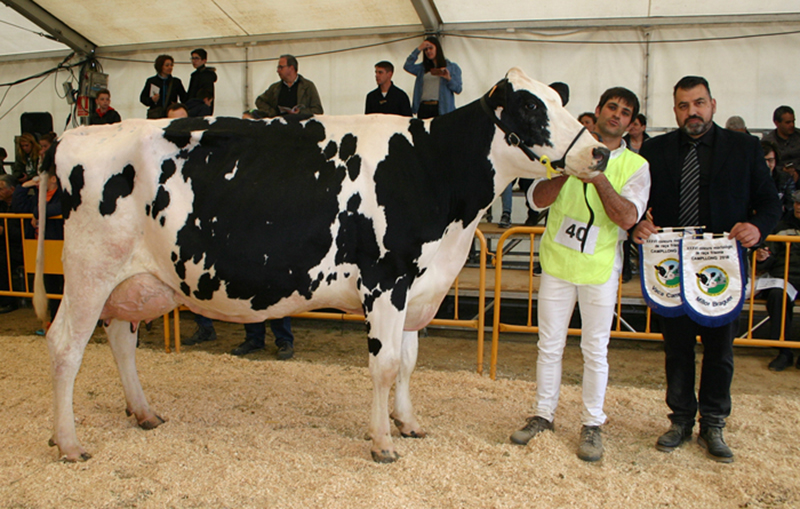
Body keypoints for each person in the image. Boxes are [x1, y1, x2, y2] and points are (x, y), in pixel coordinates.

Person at [632, 76, 781, 463]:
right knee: (676, 348)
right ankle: (680, 419)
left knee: (720, 350)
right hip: (671, 268)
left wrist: (758, 227)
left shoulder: (746, 148)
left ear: (713, 104)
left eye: (698, 103)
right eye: (683, 105)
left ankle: (713, 421)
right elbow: (636, 202)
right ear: (675, 110)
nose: (692, 112)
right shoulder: (655, 149)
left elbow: (769, 203)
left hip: (723, 268)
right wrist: (636, 225)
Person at [510, 87, 650, 463]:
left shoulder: (636, 166)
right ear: (599, 111)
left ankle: (592, 423)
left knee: (595, 350)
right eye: (611, 107)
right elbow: (536, 199)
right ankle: (542, 415)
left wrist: (598, 174)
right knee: (549, 346)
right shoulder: (565, 153)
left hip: (600, 270)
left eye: (625, 111)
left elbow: (627, 217)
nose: (616, 115)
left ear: (631, 122)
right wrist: (571, 168)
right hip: (557, 264)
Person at [755, 190, 800, 371]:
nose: (799, 207)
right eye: (797, 203)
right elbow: (770, 256)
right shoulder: (780, 226)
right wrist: (763, 257)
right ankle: (784, 351)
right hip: (785, 277)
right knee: (776, 295)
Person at [403, 36, 462, 119]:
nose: (428, 51)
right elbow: (407, 66)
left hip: (441, 108)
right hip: (424, 107)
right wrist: (418, 49)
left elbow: (458, 89)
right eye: (426, 49)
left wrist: (448, 78)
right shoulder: (422, 68)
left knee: (441, 131)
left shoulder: (452, 67)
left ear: (437, 49)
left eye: (431, 48)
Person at [255, 55, 324, 117]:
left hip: (300, 128)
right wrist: (272, 112)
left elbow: (318, 110)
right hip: (279, 127)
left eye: (281, 67)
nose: (278, 70)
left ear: (291, 68)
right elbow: (260, 101)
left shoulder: (308, 86)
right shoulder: (275, 88)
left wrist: (300, 112)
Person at [140, 54, 187, 119]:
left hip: (171, 114)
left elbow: (184, 98)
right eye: (167, 65)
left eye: (171, 65)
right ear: (160, 66)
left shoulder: (176, 82)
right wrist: (152, 100)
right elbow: (143, 98)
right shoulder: (151, 81)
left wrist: (177, 106)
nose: (170, 67)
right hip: (156, 114)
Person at [0, 174, 22, 313]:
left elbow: (23, 232)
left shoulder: (21, 205)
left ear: (12, 189)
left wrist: (4, 230)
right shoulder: (1, 205)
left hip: (19, 248)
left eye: (1, 188)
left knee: (1, 261)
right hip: (3, 245)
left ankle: (8, 301)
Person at [762, 106, 800, 171]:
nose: (792, 125)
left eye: (793, 121)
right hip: (778, 177)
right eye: (788, 122)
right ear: (777, 123)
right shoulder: (768, 141)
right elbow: (765, 164)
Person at [762, 139, 795, 214]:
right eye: (763, 160)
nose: (767, 165)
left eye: (770, 160)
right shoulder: (746, 179)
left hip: (779, 219)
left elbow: (791, 204)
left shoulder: (785, 178)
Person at [187, 49, 217, 115]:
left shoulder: (207, 75)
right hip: (193, 105)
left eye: (197, 58)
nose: (194, 61)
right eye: (192, 58)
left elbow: (207, 92)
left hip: (201, 105)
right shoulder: (195, 75)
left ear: (204, 60)